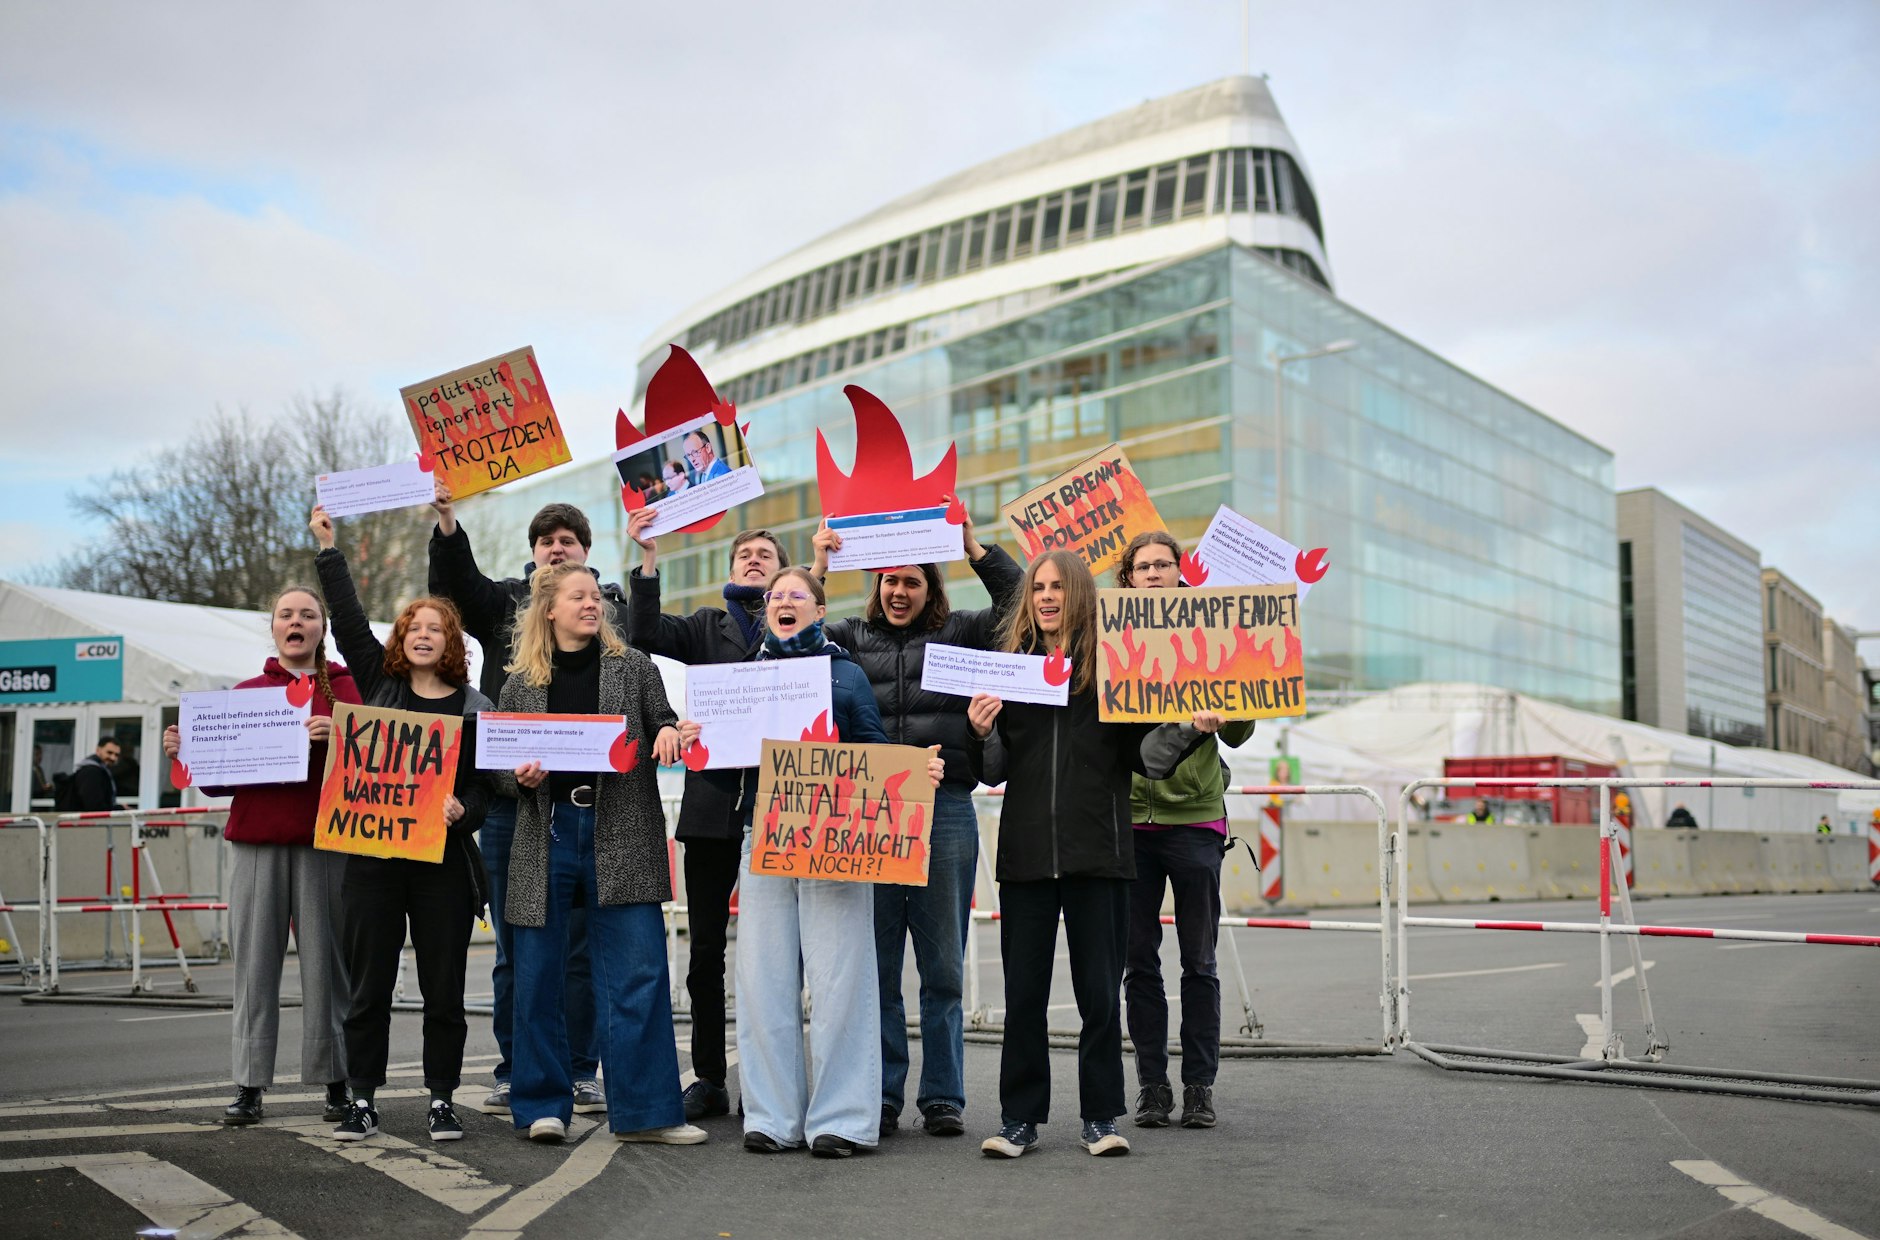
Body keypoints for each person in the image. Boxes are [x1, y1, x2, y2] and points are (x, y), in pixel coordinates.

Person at [966, 550, 1219, 1160]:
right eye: (1039, 588)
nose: (1047, 596)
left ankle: (1101, 1119)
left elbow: (1147, 759)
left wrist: (1190, 728)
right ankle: (1019, 1120)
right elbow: (993, 770)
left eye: (1058, 587)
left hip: (1100, 856)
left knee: (1100, 997)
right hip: (1026, 857)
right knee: (1023, 997)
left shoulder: (1115, 668)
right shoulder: (1010, 669)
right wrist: (982, 732)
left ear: (1080, 596)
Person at [808, 511, 1022, 1139]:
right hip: (868, 814)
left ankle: (944, 1097)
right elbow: (793, 622)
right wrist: (818, 565)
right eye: (888, 581)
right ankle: (880, 1094)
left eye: (911, 582)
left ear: (932, 589)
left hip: (945, 811)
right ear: (874, 585)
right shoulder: (845, 638)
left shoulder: (965, 633)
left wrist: (974, 546)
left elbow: (1018, 601)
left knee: (943, 969)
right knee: (876, 967)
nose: (898, 591)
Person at [727, 565, 944, 1158]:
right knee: (763, 980)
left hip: (836, 843)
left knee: (841, 981)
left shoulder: (845, 675)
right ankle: (770, 1118)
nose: (784, 600)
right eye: (776, 596)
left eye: (798, 594)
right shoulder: (746, 676)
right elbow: (724, 757)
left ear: (820, 612)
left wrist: (913, 769)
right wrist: (696, 734)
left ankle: (843, 1119)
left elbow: (875, 751)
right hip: (764, 839)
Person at [493, 561, 704, 1146]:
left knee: (637, 973)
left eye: (596, 597)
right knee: (537, 974)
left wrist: (668, 735)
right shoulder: (519, 685)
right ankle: (542, 1106)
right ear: (550, 609)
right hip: (548, 833)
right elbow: (501, 774)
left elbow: (664, 723)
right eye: (578, 597)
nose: (593, 605)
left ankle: (648, 1114)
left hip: (621, 828)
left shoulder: (633, 667)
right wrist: (521, 780)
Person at [427, 484, 616, 1117]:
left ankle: (581, 1068)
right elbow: (455, 585)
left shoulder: (604, 607)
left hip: (588, 802)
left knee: (581, 946)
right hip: (513, 802)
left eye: (568, 543)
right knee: (515, 943)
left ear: (587, 554)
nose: (557, 550)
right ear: (532, 553)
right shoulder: (503, 602)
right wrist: (449, 522)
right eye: (546, 542)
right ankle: (516, 1069)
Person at [312, 506, 494, 1144]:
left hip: (441, 862)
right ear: (400, 638)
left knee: (444, 988)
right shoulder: (375, 684)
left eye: (436, 628)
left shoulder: (477, 709)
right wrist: (329, 552)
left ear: (452, 644)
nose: (423, 635)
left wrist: (462, 812)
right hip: (373, 863)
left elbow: (485, 789)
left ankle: (442, 1099)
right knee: (371, 986)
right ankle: (362, 1098)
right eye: (413, 627)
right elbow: (349, 621)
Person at [162, 585, 361, 1126]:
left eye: (308, 614)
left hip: (325, 844)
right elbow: (219, 787)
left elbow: (374, 768)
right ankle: (249, 1084)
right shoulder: (246, 693)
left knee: (327, 968)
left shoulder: (349, 691)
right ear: (273, 628)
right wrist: (189, 753)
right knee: (254, 968)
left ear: (322, 628)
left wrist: (340, 733)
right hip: (255, 845)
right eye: (285, 614)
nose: (296, 622)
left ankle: (337, 1083)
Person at [624, 510, 787, 1121]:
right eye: (744, 554)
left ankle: (770, 1084)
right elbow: (643, 633)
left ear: (783, 572)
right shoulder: (704, 628)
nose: (753, 560)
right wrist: (647, 561)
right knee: (706, 956)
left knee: (773, 955)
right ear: (730, 569)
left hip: (778, 809)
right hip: (713, 810)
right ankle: (711, 1078)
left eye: (765, 555)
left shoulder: (794, 630)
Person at [1113, 532, 1255, 1131]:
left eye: (1162, 564)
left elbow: (1242, 734)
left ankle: (1198, 1086)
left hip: (1195, 821)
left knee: (1199, 961)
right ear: (1129, 578)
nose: (1152, 573)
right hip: (1129, 821)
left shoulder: (1213, 634)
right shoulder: (1110, 634)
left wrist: (1228, 714)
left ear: (1180, 572)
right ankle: (1152, 1087)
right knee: (1138, 963)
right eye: (1142, 566)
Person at [70, 736, 122, 811]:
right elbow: (94, 806)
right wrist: (120, 808)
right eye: (109, 753)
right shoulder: (91, 772)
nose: (113, 758)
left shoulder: (100, 770)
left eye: (116, 755)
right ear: (98, 750)